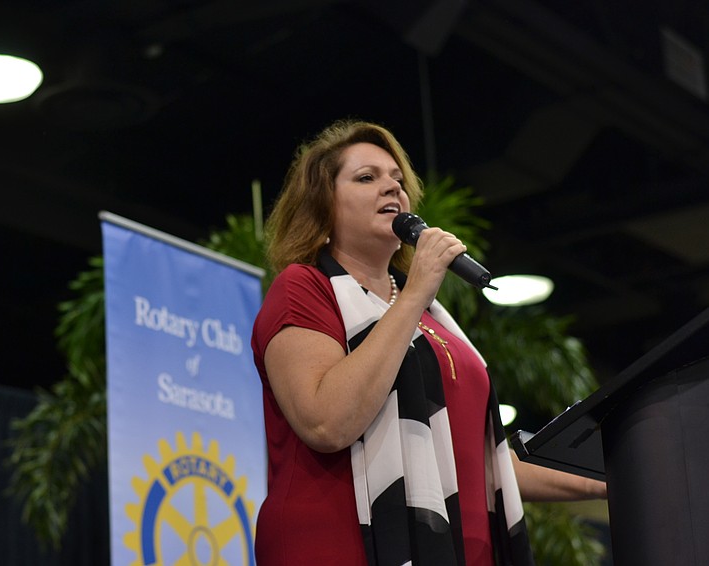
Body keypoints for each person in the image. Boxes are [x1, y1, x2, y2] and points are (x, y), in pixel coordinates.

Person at [250, 119, 606, 565]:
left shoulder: (432, 318)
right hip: (340, 546)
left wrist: (605, 477)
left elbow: (484, 461)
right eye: (367, 178)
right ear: (322, 212)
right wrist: (417, 291)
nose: (392, 189)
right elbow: (326, 423)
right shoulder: (305, 288)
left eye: (397, 180)